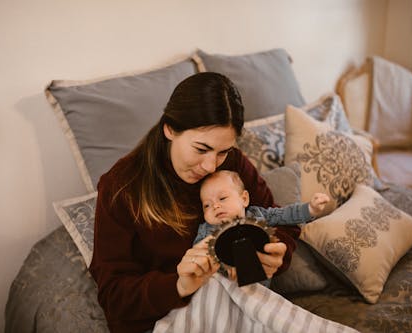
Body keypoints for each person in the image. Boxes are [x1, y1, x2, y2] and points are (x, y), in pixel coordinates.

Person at [89, 72, 300, 333]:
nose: (210, 165)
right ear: (170, 129)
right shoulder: (121, 186)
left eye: (222, 151)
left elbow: (278, 221)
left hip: (240, 309)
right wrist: (178, 285)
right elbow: (114, 296)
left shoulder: (231, 164)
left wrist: (277, 253)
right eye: (201, 149)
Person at [195, 169, 330, 245]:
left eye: (222, 198)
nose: (215, 206)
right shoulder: (206, 230)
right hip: (222, 284)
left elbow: (284, 215)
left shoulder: (257, 216)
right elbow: (197, 255)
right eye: (207, 205)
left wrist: (310, 209)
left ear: (244, 199)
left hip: (256, 286)